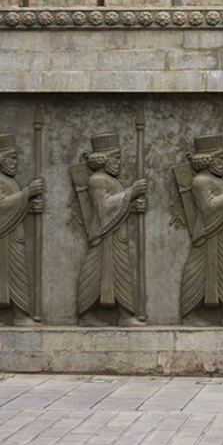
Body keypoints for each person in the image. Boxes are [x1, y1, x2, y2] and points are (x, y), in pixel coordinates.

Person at [178, 134, 223, 326]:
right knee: (197, 273)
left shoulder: (215, 181)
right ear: (208, 160)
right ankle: (188, 314)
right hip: (207, 235)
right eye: (220, 158)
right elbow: (209, 208)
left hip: (221, 236)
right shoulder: (200, 182)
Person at [73, 132, 145, 326]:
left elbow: (116, 208)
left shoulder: (108, 180)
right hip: (103, 235)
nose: (119, 163)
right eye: (116, 158)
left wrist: (133, 206)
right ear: (104, 160)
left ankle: (125, 314)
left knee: (121, 273)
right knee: (94, 272)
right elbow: (104, 207)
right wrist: (130, 194)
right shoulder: (97, 180)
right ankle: (86, 314)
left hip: (116, 235)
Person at [0, 134, 42, 325]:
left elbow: (13, 208)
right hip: (4, 238)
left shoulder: (8, 181)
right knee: (10, 276)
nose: (16, 163)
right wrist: (27, 194)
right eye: (13, 158)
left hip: (13, 237)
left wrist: (29, 207)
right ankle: (17, 315)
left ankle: (19, 314)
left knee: (17, 275)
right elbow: (2, 207)